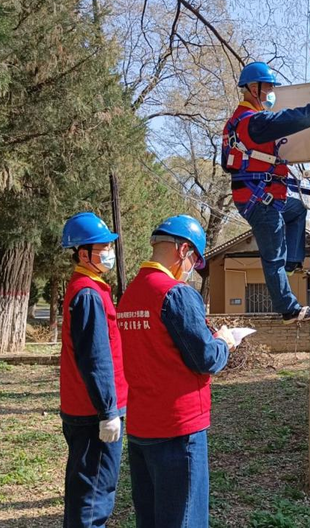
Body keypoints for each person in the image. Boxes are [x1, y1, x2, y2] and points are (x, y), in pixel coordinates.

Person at [117, 214, 236, 528]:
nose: (192, 270)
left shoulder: (130, 294)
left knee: (152, 518)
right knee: (185, 519)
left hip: (142, 425)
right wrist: (224, 341)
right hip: (179, 427)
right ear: (184, 250)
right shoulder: (175, 294)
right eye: (194, 261)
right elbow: (206, 358)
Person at [222, 61, 310, 324]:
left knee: (297, 211)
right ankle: (289, 309)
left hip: (263, 195)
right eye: (268, 86)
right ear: (252, 88)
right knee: (273, 256)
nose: (271, 92)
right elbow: (293, 119)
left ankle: (292, 263)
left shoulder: (237, 122)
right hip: (260, 199)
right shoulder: (253, 122)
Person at [59, 212, 128, 528]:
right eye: (101, 247)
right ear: (82, 253)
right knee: (93, 500)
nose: (108, 253)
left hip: (86, 410)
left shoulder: (89, 288)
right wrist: (107, 411)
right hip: (93, 414)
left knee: (84, 493)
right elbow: (95, 357)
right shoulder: (87, 293)